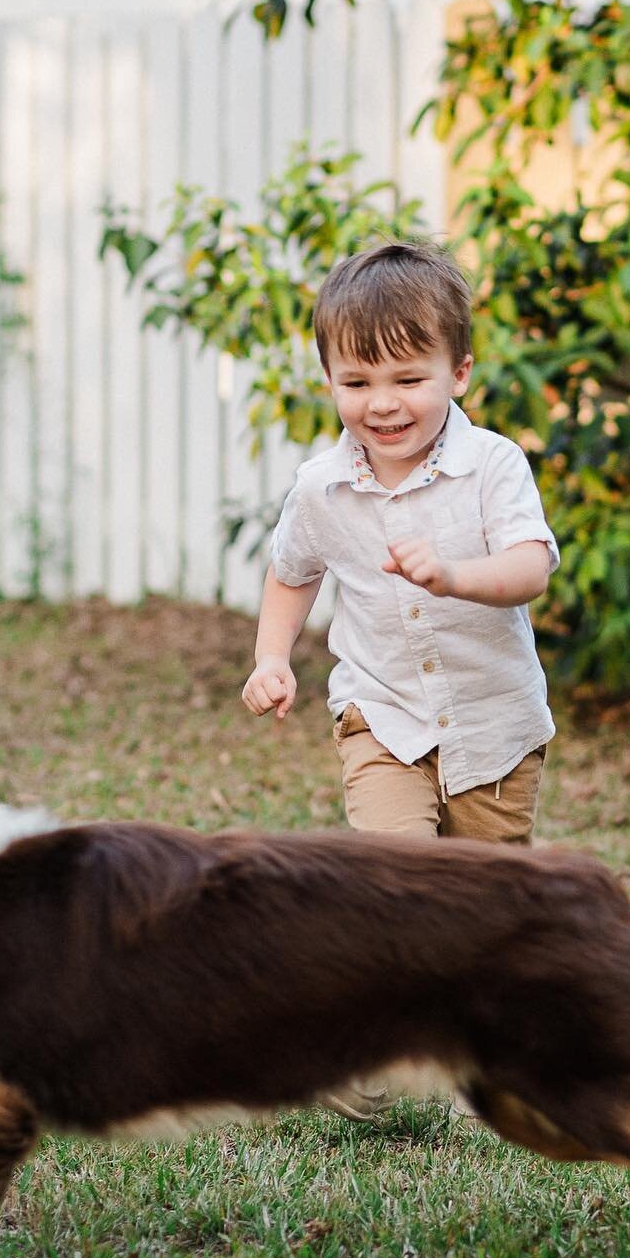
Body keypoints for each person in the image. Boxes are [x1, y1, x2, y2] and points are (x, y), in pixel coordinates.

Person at [241, 240, 558, 849]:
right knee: (397, 871)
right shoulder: (320, 488)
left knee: (483, 892)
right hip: (380, 717)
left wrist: (454, 576)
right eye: (357, 382)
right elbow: (293, 571)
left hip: (493, 724)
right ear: (329, 379)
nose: (383, 403)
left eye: (409, 378)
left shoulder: (493, 464)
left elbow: (530, 567)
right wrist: (271, 658)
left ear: (458, 372)